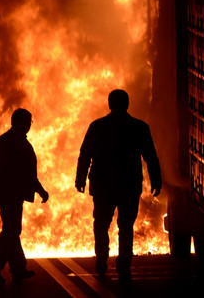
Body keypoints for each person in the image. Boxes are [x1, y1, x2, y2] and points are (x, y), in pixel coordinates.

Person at [75, 89, 161, 280]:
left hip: (103, 186)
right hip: (129, 186)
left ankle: (102, 259)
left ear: (110, 104)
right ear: (127, 104)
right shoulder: (139, 127)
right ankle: (124, 264)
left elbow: (85, 154)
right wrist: (156, 179)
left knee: (101, 224)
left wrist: (80, 178)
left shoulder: (97, 127)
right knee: (126, 226)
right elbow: (151, 157)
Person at [0, 108, 50, 285]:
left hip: (4, 192)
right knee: (11, 231)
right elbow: (27, 173)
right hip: (11, 193)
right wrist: (40, 190)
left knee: (11, 230)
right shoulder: (17, 143)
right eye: (28, 122)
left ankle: (18, 269)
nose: (29, 126)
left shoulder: (4, 140)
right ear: (22, 123)